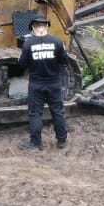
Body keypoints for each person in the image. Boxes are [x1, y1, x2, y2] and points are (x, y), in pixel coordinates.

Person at [17, 14, 69, 151]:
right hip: (54, 83)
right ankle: (62, 141)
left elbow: (21, 64)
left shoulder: (28, 44)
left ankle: (35, 144)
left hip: (36, 84)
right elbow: (65, 61)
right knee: (58, 111)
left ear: (33, 28)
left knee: (35, 113)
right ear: (46, 26)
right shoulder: (57, 42)